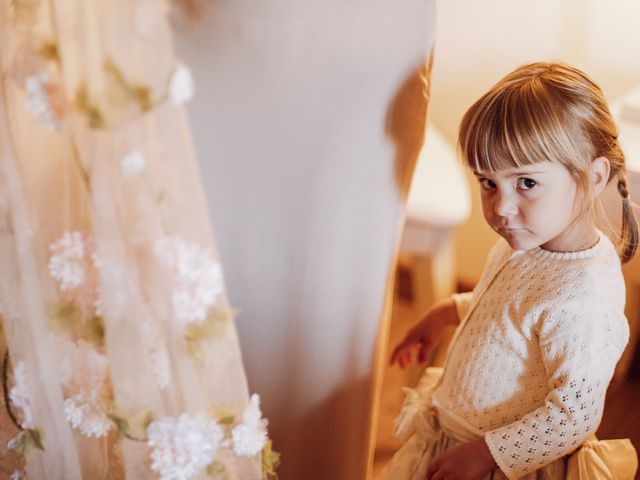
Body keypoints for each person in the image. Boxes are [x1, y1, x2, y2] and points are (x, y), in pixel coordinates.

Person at [379, 62, 639, 479]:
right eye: (488, 182)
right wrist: (448, 310)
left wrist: (487, 454)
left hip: (501, 463)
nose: (500, 207)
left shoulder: (584, 298)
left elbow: (574, 415)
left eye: (527, 183)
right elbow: (511, 306)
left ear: (592, 178)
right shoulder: (529, 240)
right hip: (463, 439)